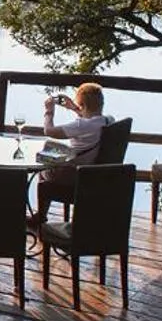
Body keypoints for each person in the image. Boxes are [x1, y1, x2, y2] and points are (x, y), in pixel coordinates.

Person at [29, 81, 112, 225]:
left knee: (43, 168)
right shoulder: (108, 120)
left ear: (83, 105)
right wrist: (74, 108)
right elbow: (90, 116)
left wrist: (49, 111)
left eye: (80, 106)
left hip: (74, 175)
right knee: (49, 158)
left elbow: (49, 131)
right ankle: (40, 215)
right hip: (90, 172)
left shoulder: (81, 125)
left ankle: (41, 215)